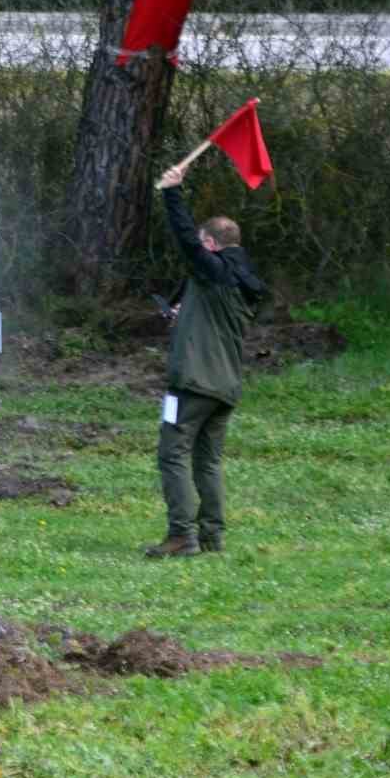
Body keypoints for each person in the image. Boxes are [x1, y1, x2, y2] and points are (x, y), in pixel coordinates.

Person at [146, 161, 267, 558]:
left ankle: (182, 535)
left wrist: (172, 191)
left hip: (194, 382)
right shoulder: (240, 281)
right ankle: (213, 537)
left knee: (172, 453)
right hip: (225, 387)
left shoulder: (215, 271)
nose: (197, 252)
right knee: (208, 462)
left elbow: (186, 240)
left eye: (202, 244)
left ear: (211, 245)